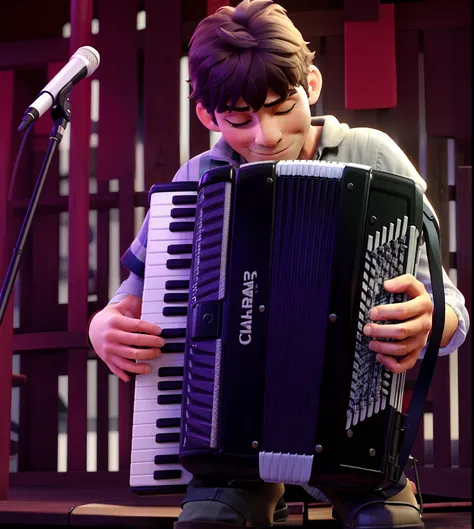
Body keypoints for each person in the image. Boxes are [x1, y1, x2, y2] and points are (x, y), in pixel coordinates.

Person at [88, 1, 470, 528]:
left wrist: (431, 322)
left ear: (310, 84)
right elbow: (129, 297)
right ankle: (261, 487)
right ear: (206, 115)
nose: (266, 136)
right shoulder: (197, 179)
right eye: (239, 120)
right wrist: (102, 325)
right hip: (231, 453)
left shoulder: (372, 153)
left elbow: (452, 310)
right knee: (209, 523)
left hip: (358, 442)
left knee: (387, 525)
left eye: (279, 106)